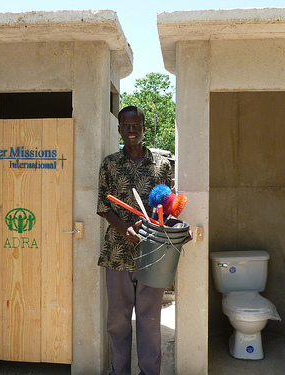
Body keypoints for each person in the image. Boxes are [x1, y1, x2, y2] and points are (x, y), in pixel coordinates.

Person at [97, 106, 173, 375]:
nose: (131, 129)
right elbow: (103, 206)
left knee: (149, 321)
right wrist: (123, 228)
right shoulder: (109, 164)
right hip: (117, 253)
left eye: (136, 125)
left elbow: (170, 206)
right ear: (119, 129)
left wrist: (176, 229)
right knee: (117, 322)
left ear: (143, 128)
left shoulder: (162, 165)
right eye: (126, 125)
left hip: (153, 254)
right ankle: (120, 372)